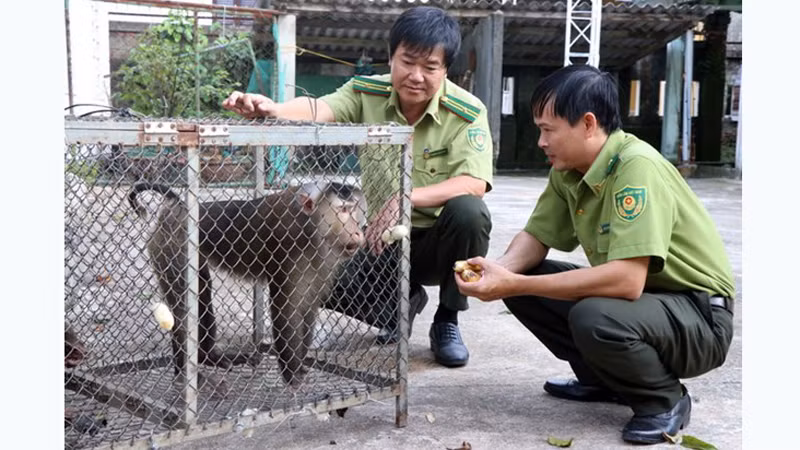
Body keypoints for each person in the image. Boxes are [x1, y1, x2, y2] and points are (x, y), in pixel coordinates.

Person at [454, 64, 734, 444]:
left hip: (699, 318)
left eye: (548, 130)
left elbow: (626, 281)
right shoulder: (568, 169)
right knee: (528, 283)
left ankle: (664, 400)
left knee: (594, 315)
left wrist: (515, 283)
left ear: (588, 124)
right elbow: (537, 236)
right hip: (649, 306)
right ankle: (606, 380)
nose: (541, 142)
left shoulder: (636, 167)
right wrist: (498, 272)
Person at [222, 6, 493, 368]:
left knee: (470, 212)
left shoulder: (466, 111)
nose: (416, 76)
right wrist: (274, 109)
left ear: (445, 69)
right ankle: (398, 304)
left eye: (430, 67)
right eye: (407, 62)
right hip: (381, 240)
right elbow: (320, 107)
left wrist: (404, 198)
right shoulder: (367, 92)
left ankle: (448, 319)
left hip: (439, 245)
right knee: (310, 276)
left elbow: (474, 183)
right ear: (391, 57)